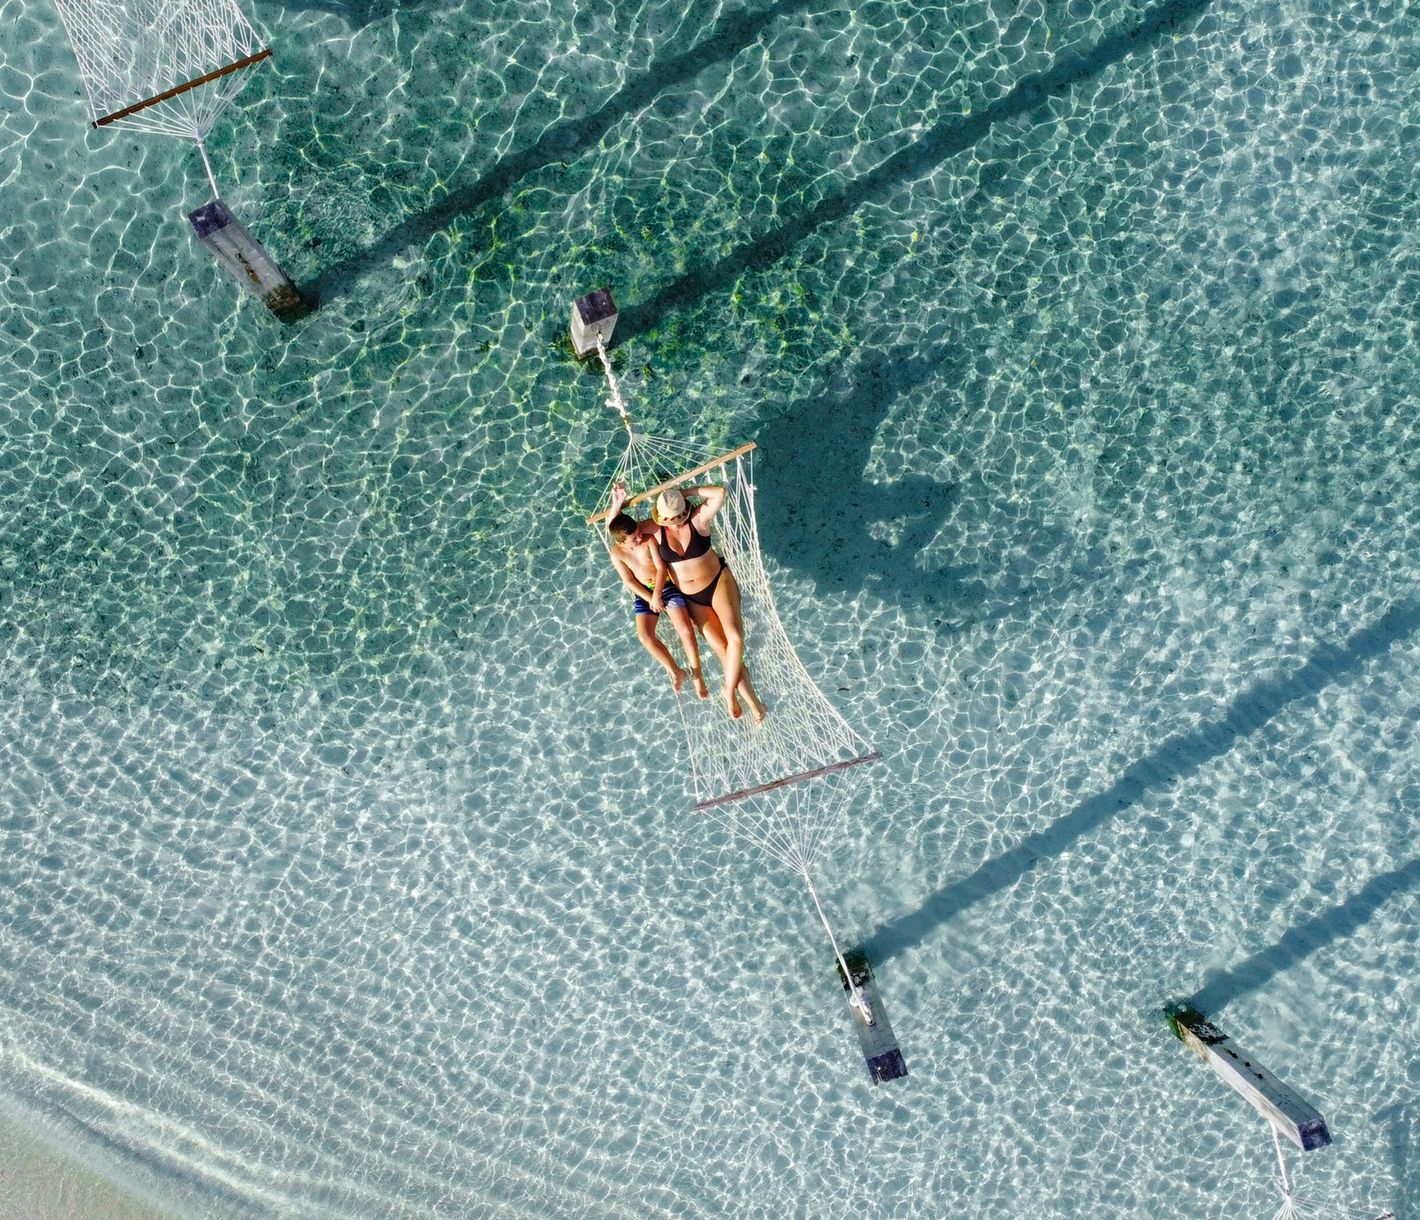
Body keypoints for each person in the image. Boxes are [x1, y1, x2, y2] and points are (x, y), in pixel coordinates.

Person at [653, 484, 765, 722]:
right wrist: (616, 505)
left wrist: (684, 494)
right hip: (693, 599)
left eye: (681, 515)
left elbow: (719, 493)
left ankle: (728, 690)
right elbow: (621, 532)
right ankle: (753, 703)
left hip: (717, 584)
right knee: (724, 650)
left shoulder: (698, 520)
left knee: (735, 638)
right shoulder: (654, 530)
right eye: (671, 519)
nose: (677, 522)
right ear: (662, 517)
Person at [605, 483, 708, 698]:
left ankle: (697, 674)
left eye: (639, 532)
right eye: (634, 538)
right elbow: (629, 581)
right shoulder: (617, 554)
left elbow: (661, 568)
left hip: (665, 586)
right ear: (622, 543)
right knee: (645, 636)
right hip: (643, 593)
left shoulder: (648, 540)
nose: (639, 537)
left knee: (685, 630)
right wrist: (649, 598)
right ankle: (675, 670)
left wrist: (657, 595)